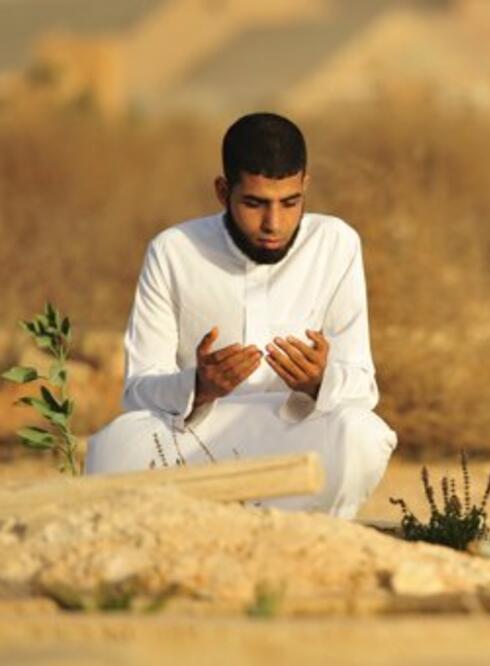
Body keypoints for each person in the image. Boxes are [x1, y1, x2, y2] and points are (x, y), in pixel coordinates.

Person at [85, 112, 397, 517]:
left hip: (297, 438)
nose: (274, 223)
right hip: (197, 439)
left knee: (363, 435)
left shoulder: (336, 243)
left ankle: (309, 532)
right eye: (254, 203)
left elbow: (361, 388)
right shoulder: (173, 250)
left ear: (305, 185)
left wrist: (319, 381)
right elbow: (139, 390)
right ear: (222, 191)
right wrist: (198, 385)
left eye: (290, 203)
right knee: (114, 447)